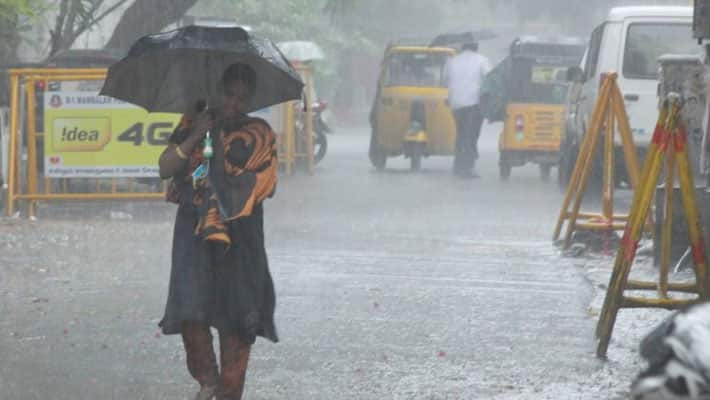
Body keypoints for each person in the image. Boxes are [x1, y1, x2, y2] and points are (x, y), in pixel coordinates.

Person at [158, 63, 279, 400]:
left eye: (243, 97)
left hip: (241, 237)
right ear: (218, 91)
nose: (234, 104)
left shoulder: (260, 133)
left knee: (237, 319)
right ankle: (207, 380)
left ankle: (228, 392)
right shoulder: (195, 122)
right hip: (192, 233)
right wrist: (197, 132)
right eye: (229, 94)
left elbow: (258, 186)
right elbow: (165, 167)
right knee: (190, 308)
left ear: (251, 99)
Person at [444, 41, 491, 178]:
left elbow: (446, 80)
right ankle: (469, 166)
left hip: (456, 104)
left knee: (461, 133)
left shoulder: (451, 61)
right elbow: (489, 77)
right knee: (471, 135)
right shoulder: (482, 60)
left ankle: (458, 165)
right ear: (476, 47)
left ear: (462, 47)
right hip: (474, 103)